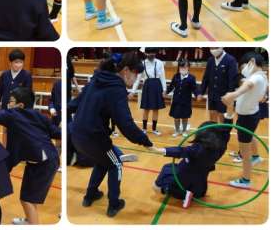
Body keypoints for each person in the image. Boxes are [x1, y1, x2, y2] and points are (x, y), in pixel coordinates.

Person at [69, 52, 153, 218]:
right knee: (116, 163)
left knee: (104, 160)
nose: (136, 79)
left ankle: (90, 195)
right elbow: (126, 125)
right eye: (136, 74)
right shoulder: (116, 88)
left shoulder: (97, 79)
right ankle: (114, 204)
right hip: (94, 138)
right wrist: (145, 141)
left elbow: (74, 104)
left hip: (77, 136)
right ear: (126, 71)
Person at [0, 87, 61, 224]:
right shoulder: (39, 115)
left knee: (27, 199)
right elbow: (56, 132)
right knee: (27, 196)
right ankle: (29, 220)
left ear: (20, 105)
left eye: (11, 101)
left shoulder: (13, 115)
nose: (8, 104)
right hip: (41, 161)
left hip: (44, 163)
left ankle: (33, 223)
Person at [152, 113, 234, 207]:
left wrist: (159, 150)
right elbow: (226, 130)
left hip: (184, 177)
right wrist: (229, 113)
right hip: (200, 181)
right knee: (193, 182)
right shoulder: (222, 144)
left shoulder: (197, 149)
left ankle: (183, 194)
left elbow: (180, 151)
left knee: (157, 185)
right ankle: (192, 193)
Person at [222, 52, 267, 188]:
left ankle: (246, 180)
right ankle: (256, 157)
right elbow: (258, 94)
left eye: (243, 67)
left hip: (248, 117)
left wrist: (233, 94)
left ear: (252, 62)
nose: (243, 71)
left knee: (245, 152)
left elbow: (248, 85)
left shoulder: (256, 78)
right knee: (250, 137)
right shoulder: (263, 76)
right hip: (249, 115)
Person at [130, 48, 166, 135]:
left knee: (156, 109)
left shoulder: (160, 63)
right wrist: (133, 91)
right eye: (149, 53)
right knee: (146, 109)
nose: (151, 55)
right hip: (147, 86)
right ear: (146, 53)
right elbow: (138, 79)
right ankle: (144, 128)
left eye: (153, 53)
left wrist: (164, 89)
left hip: (157, 85)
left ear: (155, 53)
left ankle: (154, 129)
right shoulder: (142, 64)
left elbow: (162, 77)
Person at [198, 47, 238, 123]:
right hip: (212, 95)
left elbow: (232, 80)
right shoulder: (210, 60)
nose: (213, 50)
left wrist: (230, 95)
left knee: (222, 117)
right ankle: (213, 130)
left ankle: (222, 130)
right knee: (212, 116)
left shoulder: (231, 60)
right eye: (211, 48)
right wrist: (201, 92)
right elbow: (206, 77)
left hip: (224, 96)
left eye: (216, 48)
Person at [167, 59, 198, 137]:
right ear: (179, 67)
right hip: (176, 100)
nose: (183, 69)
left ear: (188, 67)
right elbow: (171, 86)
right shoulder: (176, 76)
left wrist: (197, 95)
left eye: (185, 67)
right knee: (176, 117)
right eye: (181, 67)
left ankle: (184, 131)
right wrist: (166, 92)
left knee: (185, 117)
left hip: (186, 101)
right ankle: (177, 131)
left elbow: (194, 88)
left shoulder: (191, 78)